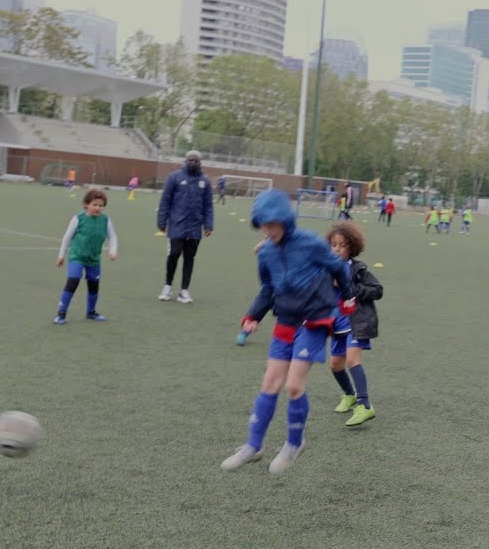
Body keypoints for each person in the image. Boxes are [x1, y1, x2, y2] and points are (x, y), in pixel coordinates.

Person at [221, 190, 355, 474]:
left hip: (315, 322)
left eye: (272, 224)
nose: (267, 231)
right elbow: (268, 289)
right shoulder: (266, 252)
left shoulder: (311, 244)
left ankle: (294, 444)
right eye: (262, 225)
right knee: (270, 382)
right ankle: (253, 446)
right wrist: (253, 316)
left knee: (293, 385)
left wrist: (347, 298)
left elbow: (339, 269)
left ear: (285, 220)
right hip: (286, 321)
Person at [326, 221, 384, 427]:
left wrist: (351, 287)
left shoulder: (358, 270)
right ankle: (349, 395)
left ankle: (365, 405)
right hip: (335, 326)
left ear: (351, 247)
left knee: (352, 360)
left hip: (356, 323)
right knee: (335, 365)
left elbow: (377, 290)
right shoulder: (326, 269)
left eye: (342, 245)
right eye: (333, 244)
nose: (337, 249)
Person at [53, 188, 119, 325]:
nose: (98, 208)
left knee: (93, 286)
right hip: (77, 256)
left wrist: (113, 251)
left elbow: (113, 236)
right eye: (94, 204)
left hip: (94, 259)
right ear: (87, 204)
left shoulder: (105, 220)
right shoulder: (78, 218)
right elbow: (67, 237)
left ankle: (91, 312)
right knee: (73, 281)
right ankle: (61, 313)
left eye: (101, 205)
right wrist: (61, 256)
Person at [157, 150, 214, 304]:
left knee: (189, 258)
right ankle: (167, 286)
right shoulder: (174, 177)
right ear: (185, 161)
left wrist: (208, 225)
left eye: (195, 160)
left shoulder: (205, 181)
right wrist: (161, 222)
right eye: (190, 160)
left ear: (200, 163)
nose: (192, 163)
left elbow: (208, 205)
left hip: (195, 228)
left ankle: (184, 291)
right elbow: (165, 201)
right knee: (173, 254)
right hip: (176, 225)